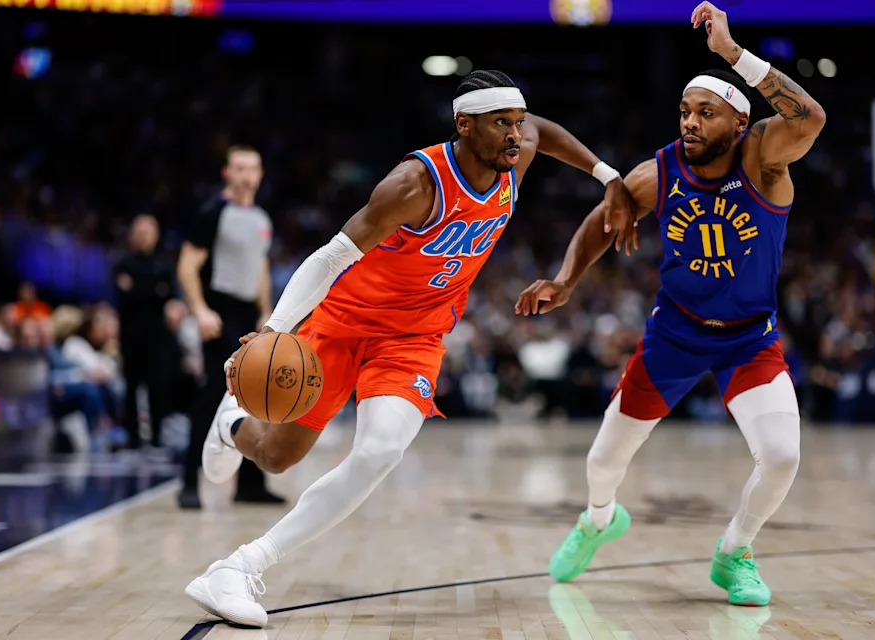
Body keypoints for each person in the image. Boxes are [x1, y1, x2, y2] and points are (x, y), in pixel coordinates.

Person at [184, 69, 634, 627]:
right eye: (501, 124)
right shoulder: (415, 184)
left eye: (517, 123)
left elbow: (545, 129)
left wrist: (607, 175)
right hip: (344, 323)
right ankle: (231, 422)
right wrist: (275, 328)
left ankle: (240, 566)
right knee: (276, 456)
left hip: (415, 338)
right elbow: (330, 257)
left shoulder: (515, 154)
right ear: (464, 125)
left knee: (379, 452)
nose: (516, 135)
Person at [515, 2, 825, 607]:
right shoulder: (661, 172)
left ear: (739, 121)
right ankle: (599, 520)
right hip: (676, 333)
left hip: (747, 338)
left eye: (706, 113)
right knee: (603, 460)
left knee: (783, 455)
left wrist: (732, 54)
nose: (690, 122)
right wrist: (567, 278)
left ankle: (734, 552)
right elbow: (605, 218)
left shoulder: (764, 156)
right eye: (684, 111)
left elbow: (810, 116)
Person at [176, 145, 283, 509]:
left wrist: (266, 311)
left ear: (260, 174)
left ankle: (250, 484)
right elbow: (187, 265)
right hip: (219, 312)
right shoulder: (212, 213)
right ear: (227, 173)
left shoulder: (261, 219)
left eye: (252, 168)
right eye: (239, 168)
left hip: (248, 313)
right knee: (212, 395)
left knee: (256, 396)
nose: (246, 175)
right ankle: (188, 482)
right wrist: (200, 310)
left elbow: (261, 268)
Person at [114, 214, 174, 449]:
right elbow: (124, 294)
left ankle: (158, 436)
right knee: (131, 386)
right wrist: (154, 291)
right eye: (140, 232)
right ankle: (133, 437)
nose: (144, 237)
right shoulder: (122, 264)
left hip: (157, 337)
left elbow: (167, 295)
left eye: (148, 232)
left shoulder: (163, 265)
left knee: (157, 386)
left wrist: (139, 289)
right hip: (130, 336)